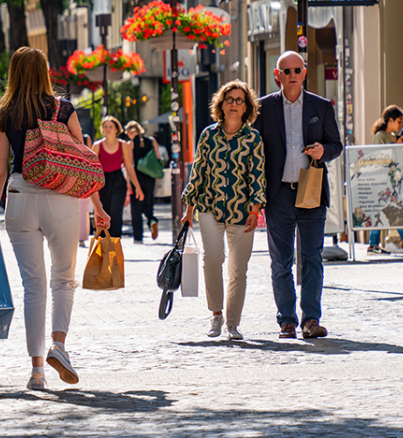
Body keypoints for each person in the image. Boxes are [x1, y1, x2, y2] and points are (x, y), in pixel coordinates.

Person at [0, 47, 110, 391]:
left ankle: (37, 370)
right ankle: (59, 346)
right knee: (63, 280)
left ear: (13, 73)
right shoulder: (62, 109)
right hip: (61, 198)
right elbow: (82, 162)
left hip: (20, 197)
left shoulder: (4, 115)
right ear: (44, 72)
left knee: (32, 287)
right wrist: (97, 205)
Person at [252, 51, 343, 340]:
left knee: (312, 259)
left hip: (311, 190)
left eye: (297, 70)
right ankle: (287, 321)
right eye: (286, 70)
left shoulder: (322, 106)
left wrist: (322, 152)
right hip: (279, 194)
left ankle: (311, 320)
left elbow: (336, 145)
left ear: (305, 73)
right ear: (277, 75)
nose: (292, 75)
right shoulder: (263, 108)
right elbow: (253, 151)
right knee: (280, 261)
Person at [181, 81, 266, 341]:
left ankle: (232, 323)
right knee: (213, 259)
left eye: (239, 100)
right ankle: (216, 314)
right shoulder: (208, 135)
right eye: (229, 99)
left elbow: (257, 175)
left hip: (242, 210)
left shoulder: (253, 138)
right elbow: (198, 173)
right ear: (221, 104)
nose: (234, 104)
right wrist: (189, 208)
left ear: (246, 106)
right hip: (209, 207)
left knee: (238, 269)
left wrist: (255, 209)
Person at [92, 116, 144, 239]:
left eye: (110, 126)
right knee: (104, 214)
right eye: (105, 126)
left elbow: (129, 167)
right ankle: (103, 245)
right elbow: (92, 169)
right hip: (102, 182)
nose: (107, 129)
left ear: (116, 129)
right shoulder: (97, 145)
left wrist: (137, 187)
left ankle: (115, 245)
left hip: (118, 181)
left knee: (116, 213)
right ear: (102, 130)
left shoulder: (123, 145)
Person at [368, 105, 403, 254]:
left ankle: (373, 245)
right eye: (398, 121)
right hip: (383, 180)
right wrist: (396, 146)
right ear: (390, 120)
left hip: (392, 180)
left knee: (385, 212)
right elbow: (379, 156)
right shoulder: (381, 136)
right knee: (395, 212)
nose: (400, 125)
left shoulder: (393, 136)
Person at [125, 121, 162, 243]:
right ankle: (152, 220)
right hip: (150, 176)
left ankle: (138, 237)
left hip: (137, 177)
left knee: (136, 208)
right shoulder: (152, 140)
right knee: (148, 202)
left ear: (130, 132)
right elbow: (157, 157)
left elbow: (129, 164)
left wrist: (129, 183)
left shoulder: (130, 144)